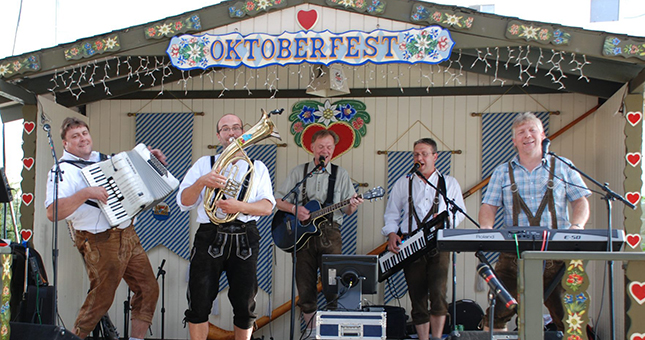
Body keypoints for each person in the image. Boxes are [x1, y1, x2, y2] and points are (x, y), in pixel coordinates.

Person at [44, 117, 161, 340]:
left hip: (128, 233)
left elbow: (136, 175)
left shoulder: (108, 160)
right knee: (102, 297)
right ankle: (74, 337)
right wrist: (86, 193)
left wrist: (150, 161)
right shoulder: (62, 171)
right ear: (65, 144)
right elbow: (52, 212)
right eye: (75, 136)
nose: (82, 139)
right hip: (99, 238)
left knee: (148, 289)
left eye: (84, 133)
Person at [478, 112, 591, 331]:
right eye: (521, 132)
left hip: (557, 257)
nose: (527, 135)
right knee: (497, 315)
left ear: (543, 135)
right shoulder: (502, 171)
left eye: (532, 130)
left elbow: (580, 200)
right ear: (514, 141)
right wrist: (486, 230)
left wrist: (577, 227)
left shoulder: (562, 166)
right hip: (513, 258)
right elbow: (488, 206)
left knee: (569, 320)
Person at [177, 113, 275, 340]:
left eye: (236, 128)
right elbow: (183, 201)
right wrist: (203, 181)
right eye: (225, 129)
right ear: (218, 135)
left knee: (245, 303)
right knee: (199, 301)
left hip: (245, 236)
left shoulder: (258, 167)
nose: (231, 133)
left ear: (243, 132)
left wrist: (238, 206)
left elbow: (267, 207)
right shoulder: (204, 164)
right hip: (210, 234)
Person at [274, 130, 363, 333]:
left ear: (333, 150)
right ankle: (312, 333)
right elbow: (277, 200)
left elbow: (348, 211)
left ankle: (332, 332)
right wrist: (295, 210)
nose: (325, 150)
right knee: (305, 288)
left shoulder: (341, 174)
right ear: (312, 148)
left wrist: (354, 204)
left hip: (330, 235)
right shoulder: (299, 172)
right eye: (321, 146)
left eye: (329, 147)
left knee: (334, 287)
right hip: (302, 238)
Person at [382, 138, 466, 340]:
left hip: (439, 244)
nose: (419, 158)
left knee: (438, 294)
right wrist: (392, 233)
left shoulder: (449, 183)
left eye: (424, 154)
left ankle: (436, 337)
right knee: (417, 296)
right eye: (416, 154)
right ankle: (423, 339)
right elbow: (392, 213)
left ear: (435, 156)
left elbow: (460, 213)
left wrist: (445, 221)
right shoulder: (404, 182)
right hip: (411, 245)